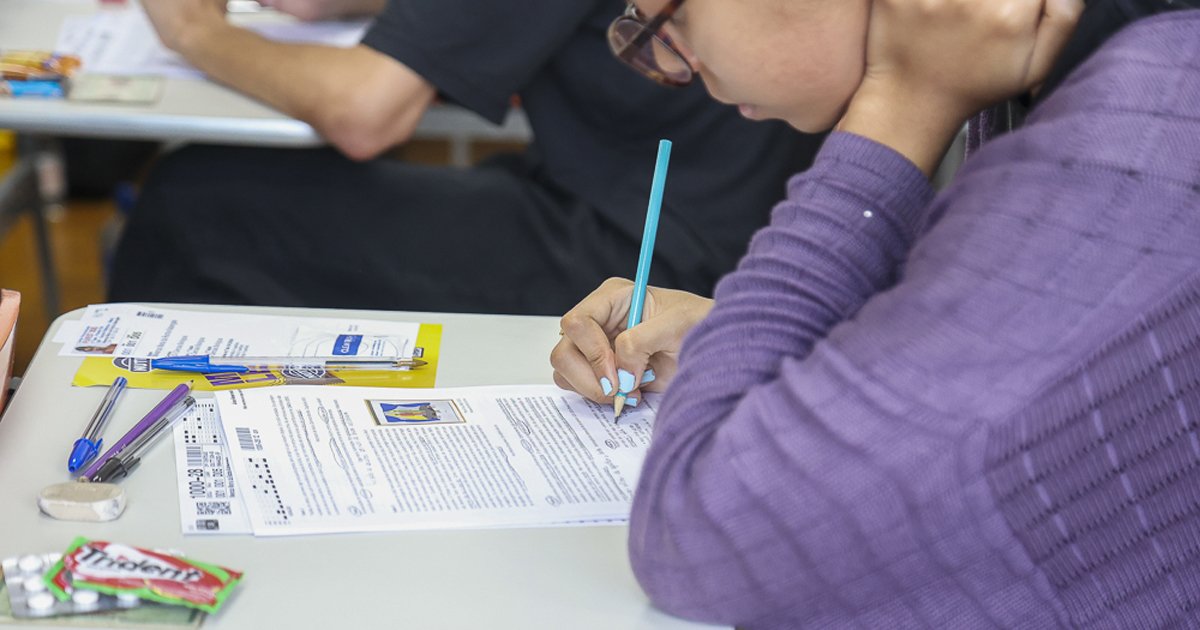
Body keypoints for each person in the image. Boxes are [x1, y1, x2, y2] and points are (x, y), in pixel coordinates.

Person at [551, 0, 1200, 626]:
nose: (675, 64)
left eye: (673, 18)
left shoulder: (1139, 141)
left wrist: (902, 105)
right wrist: (734, 335)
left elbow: (697, 531)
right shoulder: (1112, 81)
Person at [105, 0, 821, 315]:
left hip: (647, 257)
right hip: (699, 211)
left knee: (194, 203)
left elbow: (365, 112)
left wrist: (194, 32)